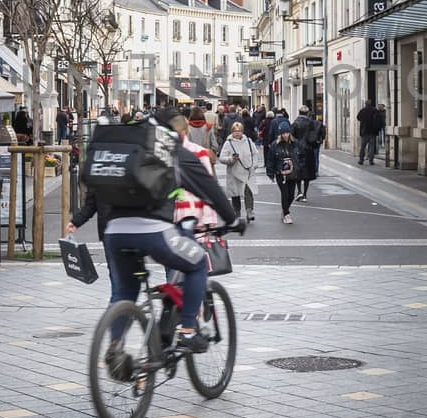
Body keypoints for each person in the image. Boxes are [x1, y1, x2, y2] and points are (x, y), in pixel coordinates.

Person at [66, 108, 240, 356]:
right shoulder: (174, 152)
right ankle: (188, 330)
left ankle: (115, 349)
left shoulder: (130, 148)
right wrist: (233, 220)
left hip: (114, 233)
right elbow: (210, 191)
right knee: (198, 262)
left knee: (124, 291)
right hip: (154, 232)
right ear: (180, 132)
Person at [220, 120, 258, 222]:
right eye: (235, 131)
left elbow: (255, 153)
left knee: (248, 191)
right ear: (232, 132)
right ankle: (237, 213)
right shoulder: (228, 143)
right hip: (234, 172)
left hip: (247, 171)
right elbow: (222, 158)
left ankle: (249, 211)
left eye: (239, 130)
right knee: (235, 193)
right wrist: (231, 159)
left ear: (242, 131)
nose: (237, 133)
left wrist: (254, 165)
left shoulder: (249, 141)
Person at [270, 128, 305, 224]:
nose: (285, 135)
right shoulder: (275, 145)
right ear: (280, 134)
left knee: (291, 195)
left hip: (293, 172)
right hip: (281, 173)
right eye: (283, 133)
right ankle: (286, 214)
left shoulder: (295, 143)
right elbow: (271, 160)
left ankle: (284, 210)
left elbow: (302, 156)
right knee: (285, 194)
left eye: (287, 132)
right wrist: (271, 173)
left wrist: (298, 167)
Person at [300, 110, 327, 201]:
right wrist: (320, 140)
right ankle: (315, 170)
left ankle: (300, 192)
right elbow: (323, 133)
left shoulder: (306, 124)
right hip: (315, 144)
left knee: (308, 162)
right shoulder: (319, 123)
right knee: (316, 157)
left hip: (306, 146)